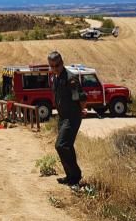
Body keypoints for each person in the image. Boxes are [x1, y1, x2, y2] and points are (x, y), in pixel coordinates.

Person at [48, 51, 86, 187]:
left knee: (61, 145)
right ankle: (70, 176)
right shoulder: (56, 78)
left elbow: (81, 98)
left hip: (72, 117)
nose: (54, 68)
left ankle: (76, 175)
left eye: (57, 65)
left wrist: (80, 111)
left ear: (62, 63)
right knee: (67, 146)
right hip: (63, 117)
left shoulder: (71, 78)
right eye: (51, 66)